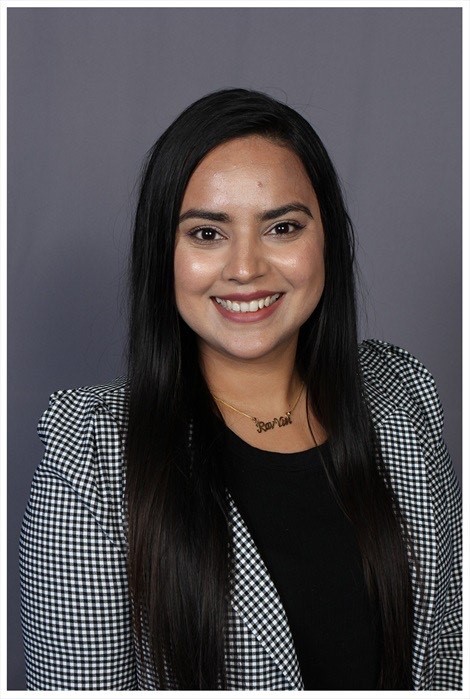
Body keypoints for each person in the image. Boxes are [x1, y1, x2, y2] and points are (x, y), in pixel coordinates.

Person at [19, 88, 461, 691]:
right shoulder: (94, 453)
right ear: (162, 253)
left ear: (327, 239)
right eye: (207, 234)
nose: (247, 268)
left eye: (282, 227)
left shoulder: (400, 392)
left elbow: (450, 657)